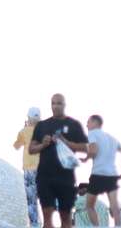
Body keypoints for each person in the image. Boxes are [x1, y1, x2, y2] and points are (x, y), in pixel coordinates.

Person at [28, 94, 89, 228]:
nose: (55, 106)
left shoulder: (73, 125)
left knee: (66, 218)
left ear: (64, 105)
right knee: (47, 217)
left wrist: (66, 142)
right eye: (53, 103)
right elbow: (31, 149)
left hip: (66, 177)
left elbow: (86, 147)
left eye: (59, 103)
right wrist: (43, 145)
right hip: (45, 177)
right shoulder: (42, 125)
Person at [82, 116, 121, 227]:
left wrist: (86, 158)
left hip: (98, 174)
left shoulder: (92, 134)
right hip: (112, 175)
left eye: (88, 122)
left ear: (94, 122)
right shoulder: (111, 138)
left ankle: (97, 226)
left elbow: (93, 150)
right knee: (114, 206)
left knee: (89, 206)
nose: (87, 125)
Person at [13, 108, 41, 227]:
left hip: (29, 168)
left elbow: (16, 146)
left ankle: (34, 225)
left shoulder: (24, 131)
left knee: (31, 200)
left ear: (28, 118)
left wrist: (24, 129)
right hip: (43, 168)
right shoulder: (44, 131)